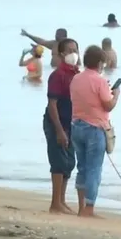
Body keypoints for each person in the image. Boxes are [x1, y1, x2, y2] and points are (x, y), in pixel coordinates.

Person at [70, 45, 119, 218]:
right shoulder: (99, 80)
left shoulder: (76, 78)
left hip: (76, 125)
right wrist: (116, 94)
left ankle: (81, 207)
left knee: (82, 167)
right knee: (94, 169)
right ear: (99, 63)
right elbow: (108, 105)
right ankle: (89, 208)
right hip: (95, 128)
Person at [44, 38, 80, 214]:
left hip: (71, 122)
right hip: (56, 121)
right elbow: (52, 104)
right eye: (69, 50)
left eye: (75, 50)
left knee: (68, 162)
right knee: (58, 161)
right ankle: (55, 203)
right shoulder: (57, 75)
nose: (73, 54)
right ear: (61, 54)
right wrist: (59, 130)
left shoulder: (76, 74)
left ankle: (62, 200)